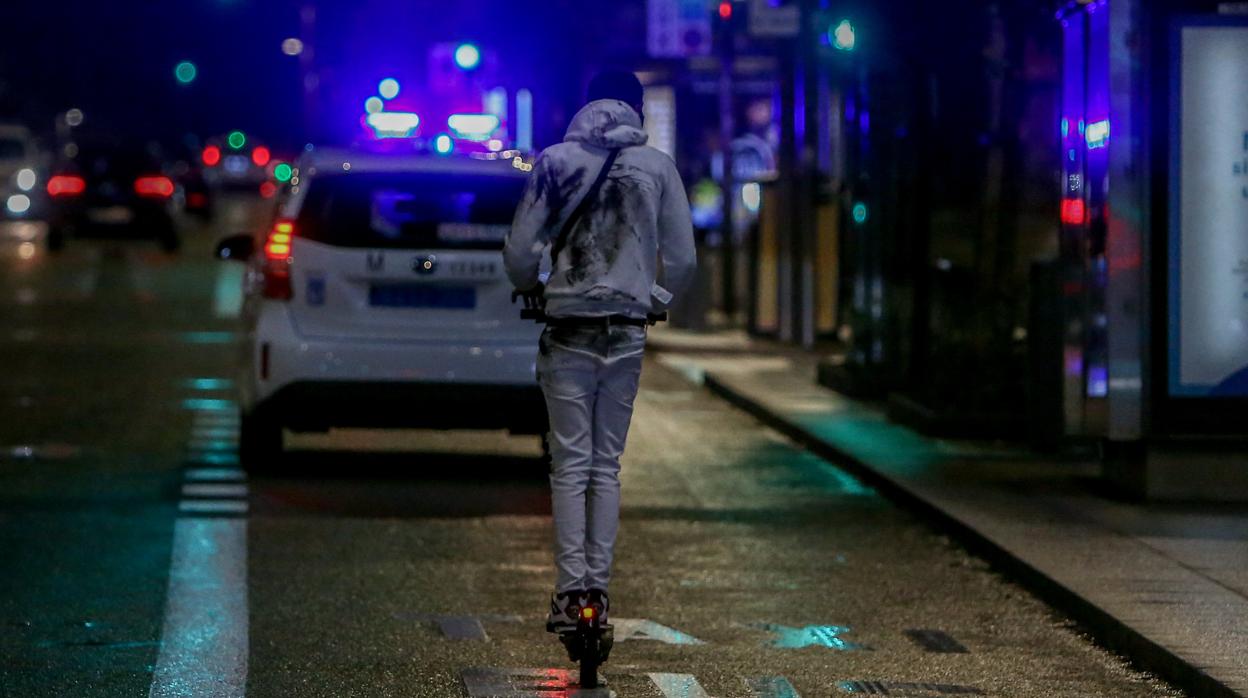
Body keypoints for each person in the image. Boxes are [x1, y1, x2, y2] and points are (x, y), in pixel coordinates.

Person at [504, 70, 696, 635]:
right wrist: (656, 299)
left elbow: (520, 250)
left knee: (571, 464)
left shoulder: (554, 163)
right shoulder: (657, 168)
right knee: (606, 466)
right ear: (636, 108)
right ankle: (600, 594)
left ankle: (569, 595)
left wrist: (533, 285)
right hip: (626, 330)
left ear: (583, 102)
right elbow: (683, 260)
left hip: (566, 327)